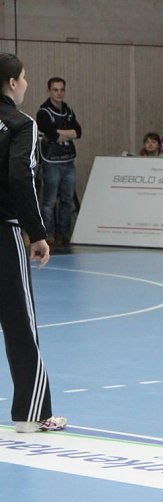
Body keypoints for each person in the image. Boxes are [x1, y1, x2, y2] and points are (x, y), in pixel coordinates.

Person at [0, 53, 67, 434]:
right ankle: (33, 413)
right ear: (12, 83)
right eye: (24, 78)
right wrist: (37, 233)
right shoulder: (21, 124)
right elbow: (20, 178)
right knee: (19, 323)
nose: (26, 84)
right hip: (3, 233)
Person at [36, 76, 81, 248]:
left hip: (68, 160)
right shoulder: (43, 112)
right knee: (49, 201)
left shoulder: (67, 110)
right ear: (49, 90)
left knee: (67, 200)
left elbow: (78, 131)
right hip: (51, 161)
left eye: (62, 89)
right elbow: (51, 134)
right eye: (55, 90)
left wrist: (60, 133)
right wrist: (65, 133)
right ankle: (48, 234)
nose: (59, 93)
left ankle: (64, 233)